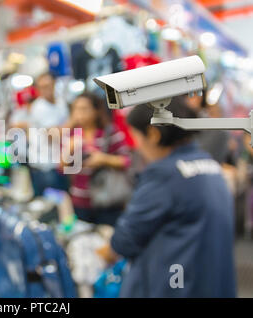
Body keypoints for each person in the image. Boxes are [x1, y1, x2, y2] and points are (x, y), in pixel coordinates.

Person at [98, 99, 236, 297]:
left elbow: (124, 240)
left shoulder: (164, 175)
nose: (137, 148)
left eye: (136, 138)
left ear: (153, 134)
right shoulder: (209, 166)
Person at [61, 92, 131, 225]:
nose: (79, 113)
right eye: (75, 109)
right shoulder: (71, 135)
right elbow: (61, 168)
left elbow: (127, 161)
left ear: (96, 110)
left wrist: (103, 159)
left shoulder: (110, 132)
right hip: (80, 200)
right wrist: (68, 149)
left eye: (84, 109)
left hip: (108, 200)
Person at [28, 73, 70, 196]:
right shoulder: (39, 107)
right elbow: (53, 135)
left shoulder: (61, 103)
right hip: (45, 167)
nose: (46, 89)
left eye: (48, 85)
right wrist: (74, 120)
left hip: (59, 163)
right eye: (42, 87)